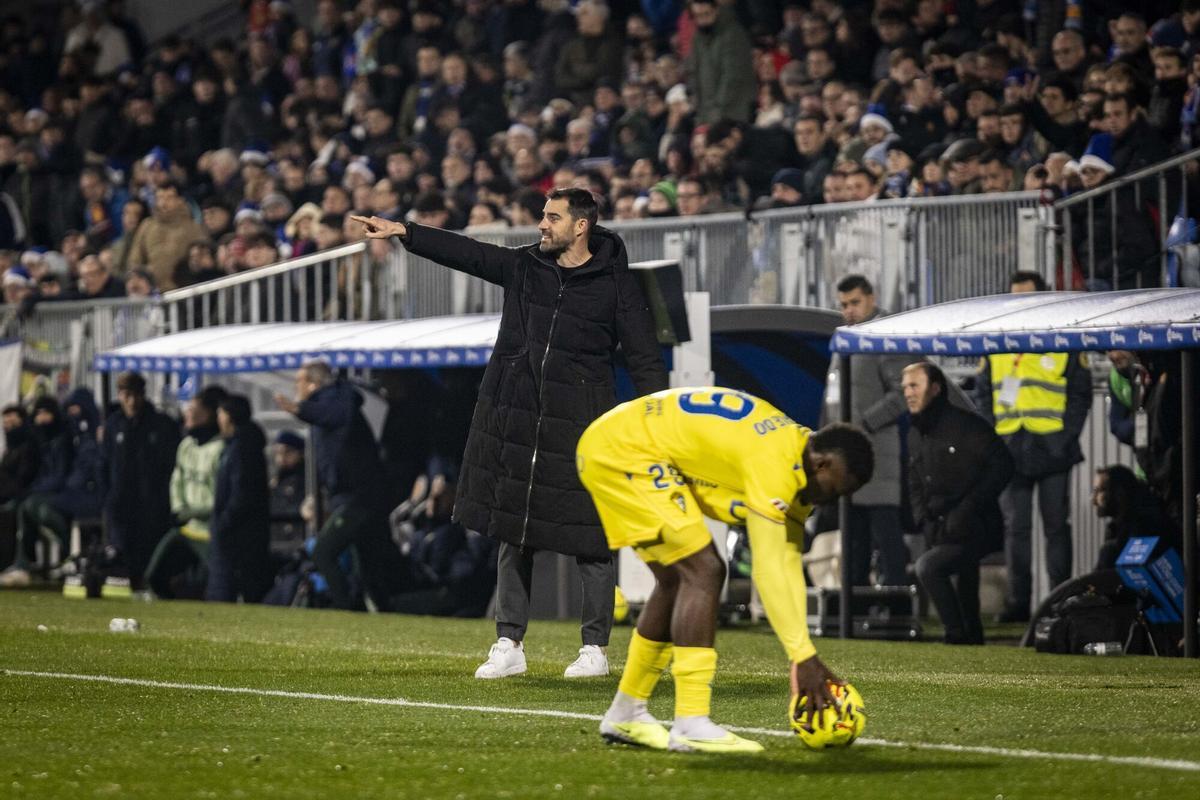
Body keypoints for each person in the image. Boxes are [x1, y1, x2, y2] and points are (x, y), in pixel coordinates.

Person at [352, 186, 667, 680]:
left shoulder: (616, 285)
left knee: (591, 535)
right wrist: (406, 233)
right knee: (511, 531)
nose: (542, 225)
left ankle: (595, 650)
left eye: (552, 217)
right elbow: (468, 253)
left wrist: (658, 422)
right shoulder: (525, 268)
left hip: (583, 426)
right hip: (517, 419)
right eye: (543, 216)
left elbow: (646, 358)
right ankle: (509, 642)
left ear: (580, 226)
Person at [578, 387, 872, 753]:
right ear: (822, 464)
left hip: (624, 441)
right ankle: (691, 721)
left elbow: (786, 565)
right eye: (835, 489)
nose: (832, 499)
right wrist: (803, 657)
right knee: (704, 570)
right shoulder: (778, 461)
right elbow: (767, 566)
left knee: (676, 579)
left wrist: (803, 654)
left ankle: (626, 713)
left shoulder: (800, 473)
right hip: (623, 447)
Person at [973, 272, 1092, 622]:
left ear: (1043, 298)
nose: (1019, 303)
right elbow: (982, 392)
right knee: (1016, 529)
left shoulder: (1063, 337)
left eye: (1026, 296)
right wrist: (996, 435)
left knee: (1057, 529)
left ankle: (1059, 604)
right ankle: (1018, 605)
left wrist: (1066, 436)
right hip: (1011, 447)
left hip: (1053, 446)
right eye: (1014, 297)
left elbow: (1080, 394)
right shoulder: (996, 339)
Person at [903, 363, 1014, 645]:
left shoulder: (967, 426)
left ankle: (956, 634)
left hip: (976, 526)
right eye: (905, 387)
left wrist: (969, 507)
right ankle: (970, 634)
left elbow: (1002, 465)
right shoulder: (916, 433)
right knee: (964, 576)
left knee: (928, 568)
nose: (907, 393)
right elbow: (914, 481)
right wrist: (923, 517)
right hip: (941, 528)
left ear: (936, 389)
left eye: (914, 385)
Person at [274, 360, 398, 611]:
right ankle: (381, 611)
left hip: (360, 496)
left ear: (313, 383)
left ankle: (347, 609)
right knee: (367, 562)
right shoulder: (327, 404)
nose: (296, 387)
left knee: (323, 552)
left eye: (299, 381)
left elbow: (336, 415)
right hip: (352, 496)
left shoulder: (338, 398)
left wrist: (299, 409)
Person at [823, 274, 916, 587]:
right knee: (854, 539)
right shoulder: (844, 340)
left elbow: (903, 393)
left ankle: (897, 607)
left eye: (855, 303)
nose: (848, 310)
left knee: (886, 535)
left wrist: (861, 425)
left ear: (871, 299)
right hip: (846, 459)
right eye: (843, 305)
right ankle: (857, 609)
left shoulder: (886, 337)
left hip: (877, 458)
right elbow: (832, 396)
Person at [145, 386, 228, 599]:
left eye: (193, 409)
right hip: (188, 529)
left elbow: (221, 498)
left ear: (210, 414)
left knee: (211, 588)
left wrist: (195, 511)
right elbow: (177, 481)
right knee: (154, 576)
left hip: (210, 532)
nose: (187, 413)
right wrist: (179, 508)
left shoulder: (220, 449)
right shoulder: (186, 445)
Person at [101, 372, 180, 589]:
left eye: (136, 395)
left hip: (152, 504)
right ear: (120, 395)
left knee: (149, 553)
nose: (132, 401)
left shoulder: (161, 425)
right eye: (127, 395)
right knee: (123, 553)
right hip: (121, 503)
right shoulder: (114, 425)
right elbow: (105, 464)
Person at [207, 394, 272, 603]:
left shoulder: (242, 447)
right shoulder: (239, 444)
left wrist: (223, 522)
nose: (218, 418)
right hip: (242, 530)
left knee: (226, 589)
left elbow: (242, 492)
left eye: (220, 413)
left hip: (238, 533)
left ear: (229, 416)